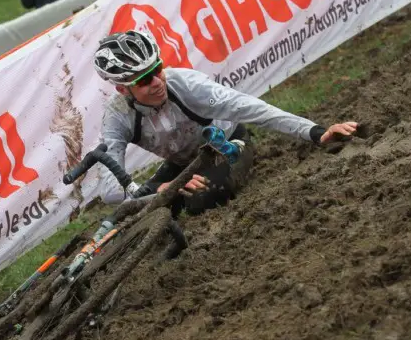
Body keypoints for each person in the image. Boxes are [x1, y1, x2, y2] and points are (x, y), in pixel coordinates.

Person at [94, 30, 358, 212]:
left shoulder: (186, 84)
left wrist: (315, 132)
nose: (156, 82)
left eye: (157, 70)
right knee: (142, 208)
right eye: (143, 80)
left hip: (227, 144)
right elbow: (109, 188)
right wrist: (159, 189)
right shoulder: (117, 116)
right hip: (180, 164)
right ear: (122, 89)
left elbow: (251, 108)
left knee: (202, 200)